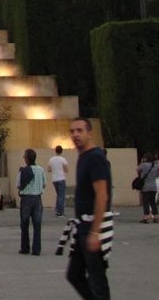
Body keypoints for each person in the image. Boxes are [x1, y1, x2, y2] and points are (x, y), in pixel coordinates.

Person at [66, 117, 111, 300]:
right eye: (72, 131)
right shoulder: (83, 157)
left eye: (80, 130)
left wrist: (95, 232)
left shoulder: (95, 157)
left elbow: (102, 195)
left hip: (93, 227)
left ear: (90, 134)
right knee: (74, 275)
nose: (75, 134)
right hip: (82, 228)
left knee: (97, 280)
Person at [16, 148, 45, 255]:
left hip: (26, 199)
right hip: (37, 198)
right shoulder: (41, 170)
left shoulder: (23, 171)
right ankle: (36, 249)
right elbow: (44, 184)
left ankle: (25, 247)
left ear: (27, 159)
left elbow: (18, 185)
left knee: (24, 224)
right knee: (37, 225)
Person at [136, 152, 159, 223]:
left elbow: (137, 169)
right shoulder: (155, 165)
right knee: (153, 202)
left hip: (145, 187)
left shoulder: (144, 165)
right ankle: (156, 217)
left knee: (146, 202)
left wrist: (141, 162)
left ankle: (146, 217)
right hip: (153, 186)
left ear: (145, 158)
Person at [47, 145, 69, 217]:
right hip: (61, 178)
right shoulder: (63, 159)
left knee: (58, 194)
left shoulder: (51, 159)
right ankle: (60, 211)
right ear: (61, 151)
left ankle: (57, 209)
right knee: (61, 196)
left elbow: (48, 170)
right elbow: (66, 170)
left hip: (54, 179)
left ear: (55, 150)